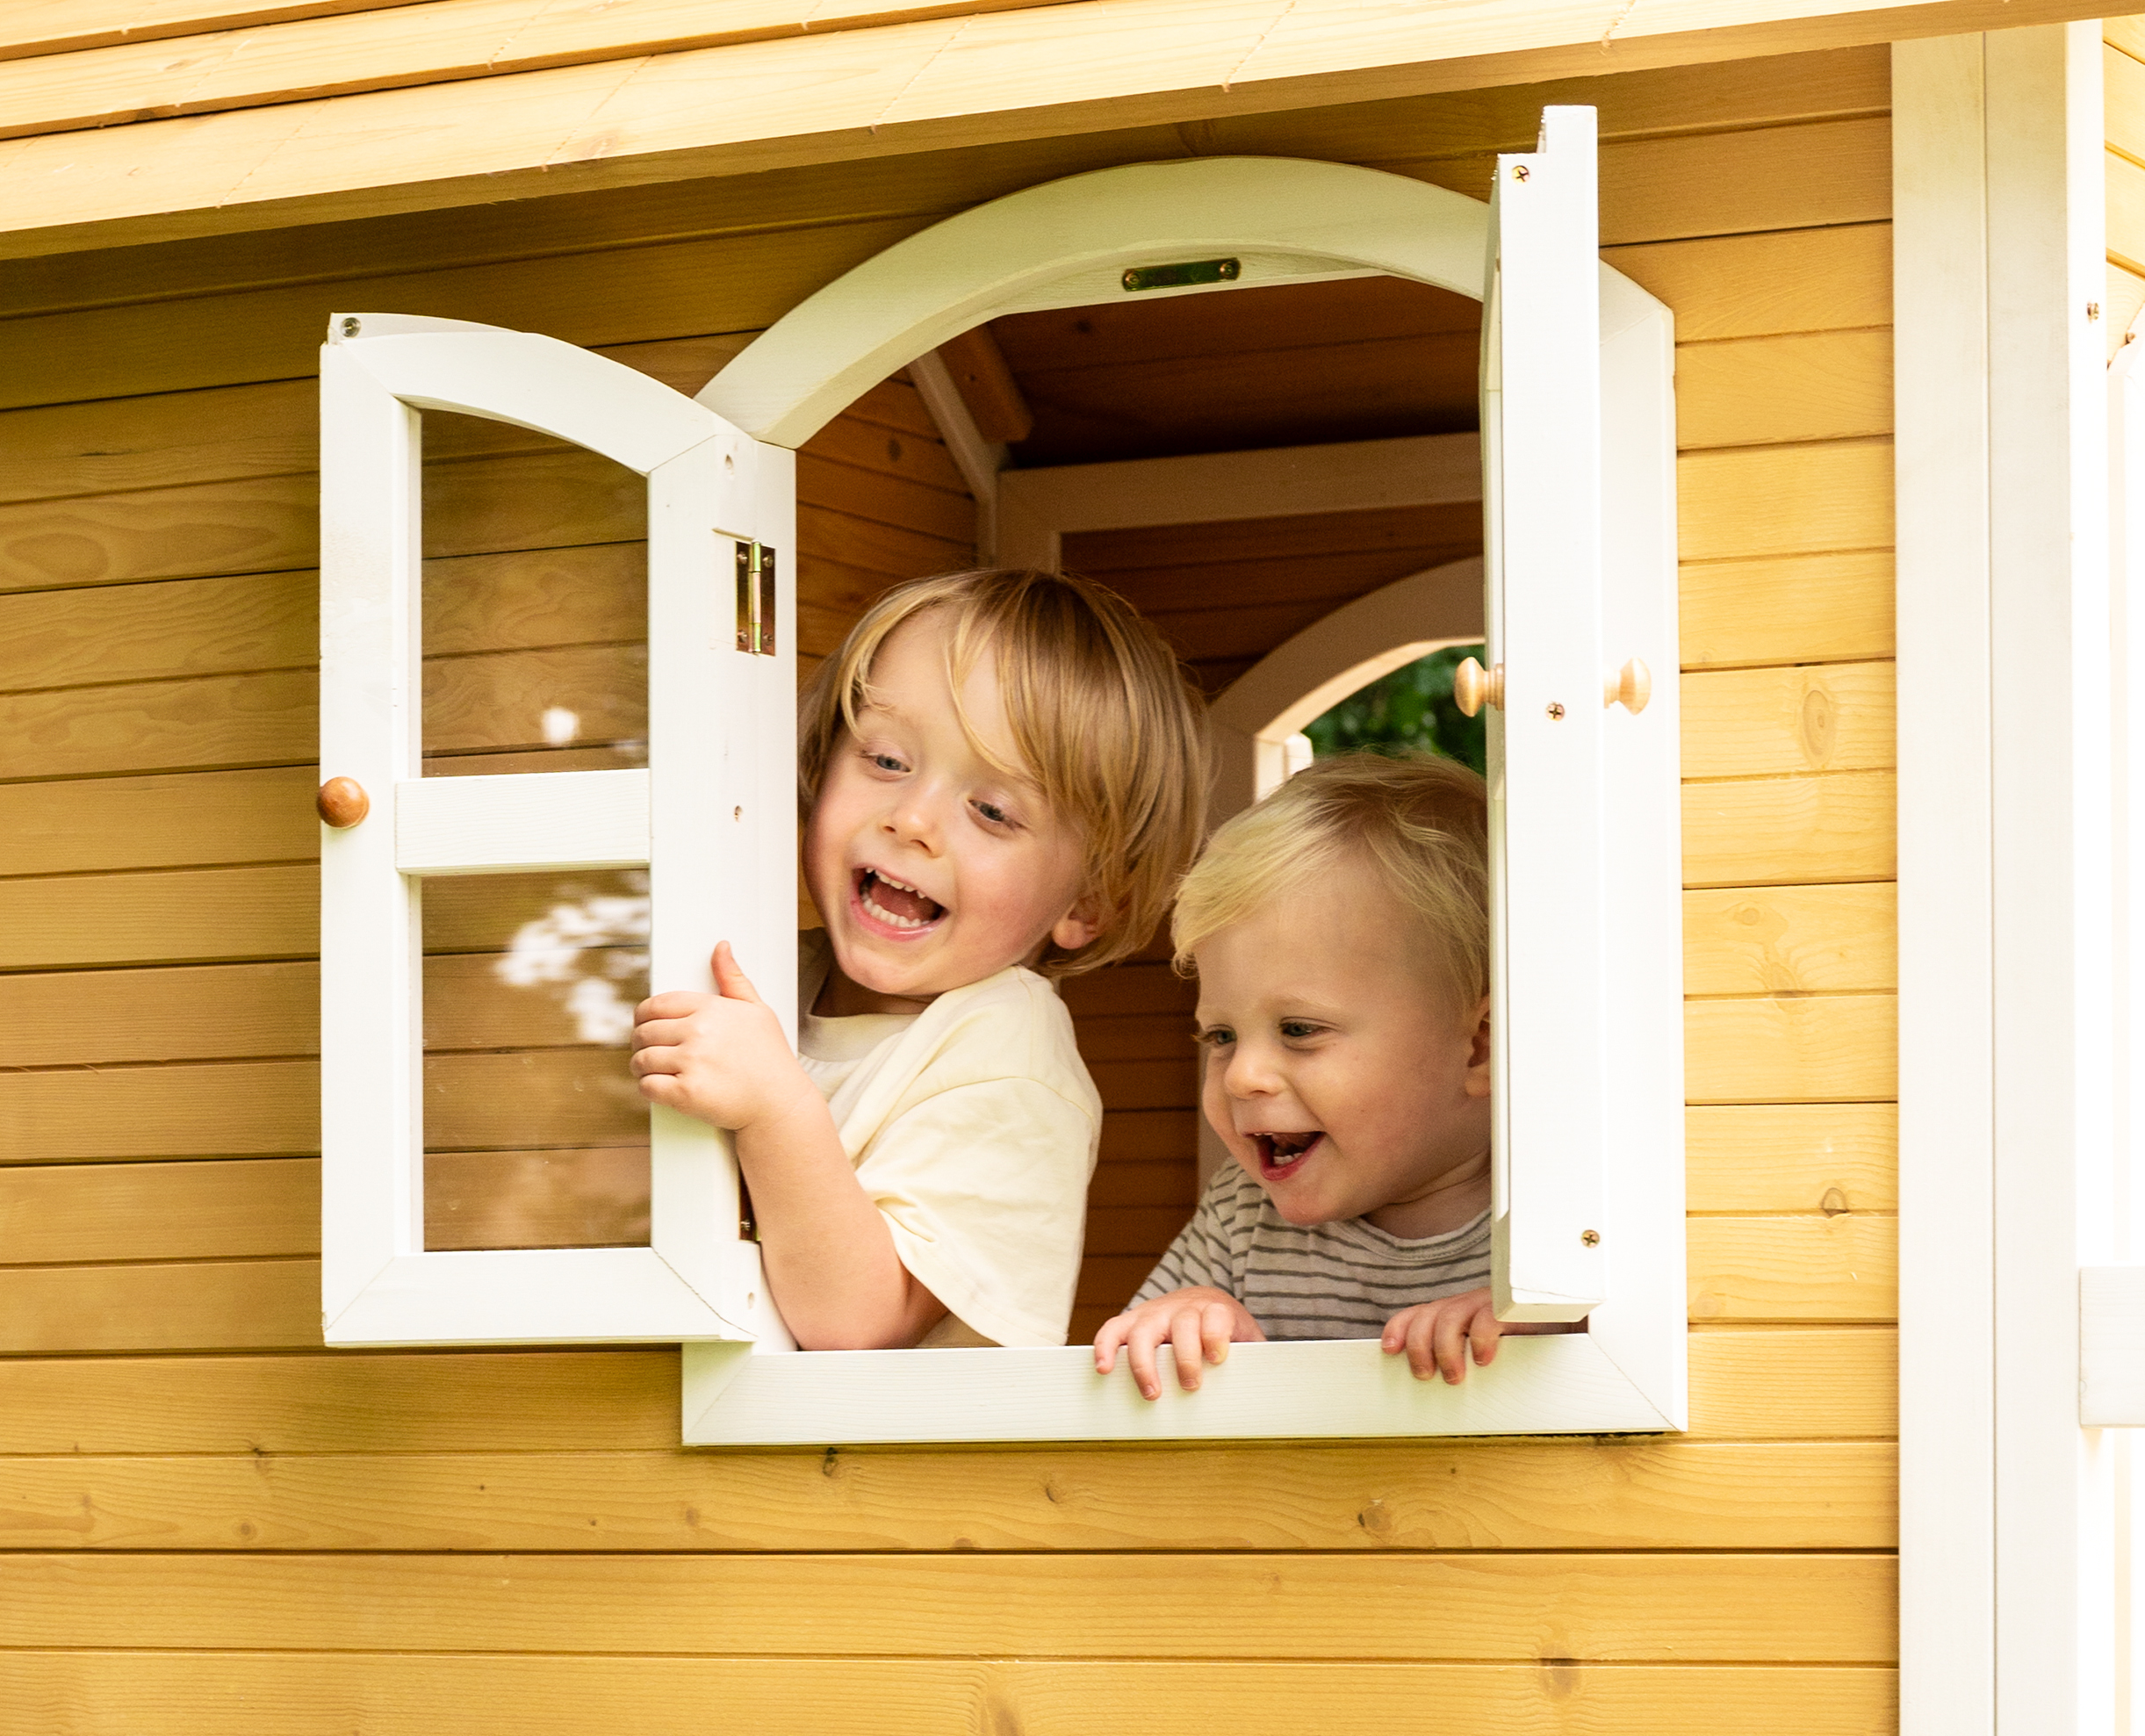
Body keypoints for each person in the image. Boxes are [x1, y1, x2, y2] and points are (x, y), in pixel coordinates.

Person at [631, 568, 1207, 1350]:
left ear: (1088, 903)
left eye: (993, 810)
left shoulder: (1011, 1057)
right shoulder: (767, 968)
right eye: (888, 761)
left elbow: (859, 1324)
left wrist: (775, 1107)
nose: (912, 820)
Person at [1093, 751, 1501, 1399]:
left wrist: (1543, 1329)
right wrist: (1187, 1318)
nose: (1241, 1077)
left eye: (1299, 1030)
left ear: (1477, 1048)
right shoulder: (1243, 1214)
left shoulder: (1557, 1218)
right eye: (1222, 1036)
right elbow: (1134, 1359)